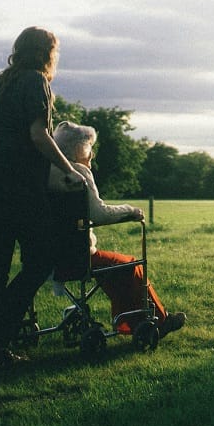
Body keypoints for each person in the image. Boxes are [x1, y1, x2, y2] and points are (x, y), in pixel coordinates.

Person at [0, 27, 87, 367]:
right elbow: (39, 135)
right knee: (40, 261)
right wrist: (69, 169)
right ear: (47, 53)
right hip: (17, 192)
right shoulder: (36, 82)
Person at [47, 120, 186, 338]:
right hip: (78, 256)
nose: (92, 155)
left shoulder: (48, 173)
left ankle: (130, 323)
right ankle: (159, 320)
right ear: (78, 149)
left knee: (115, 267)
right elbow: (99, 214)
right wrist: (130, 210)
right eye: (89, 148)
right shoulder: (79, 173)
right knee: (130, 265)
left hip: (51, 256)